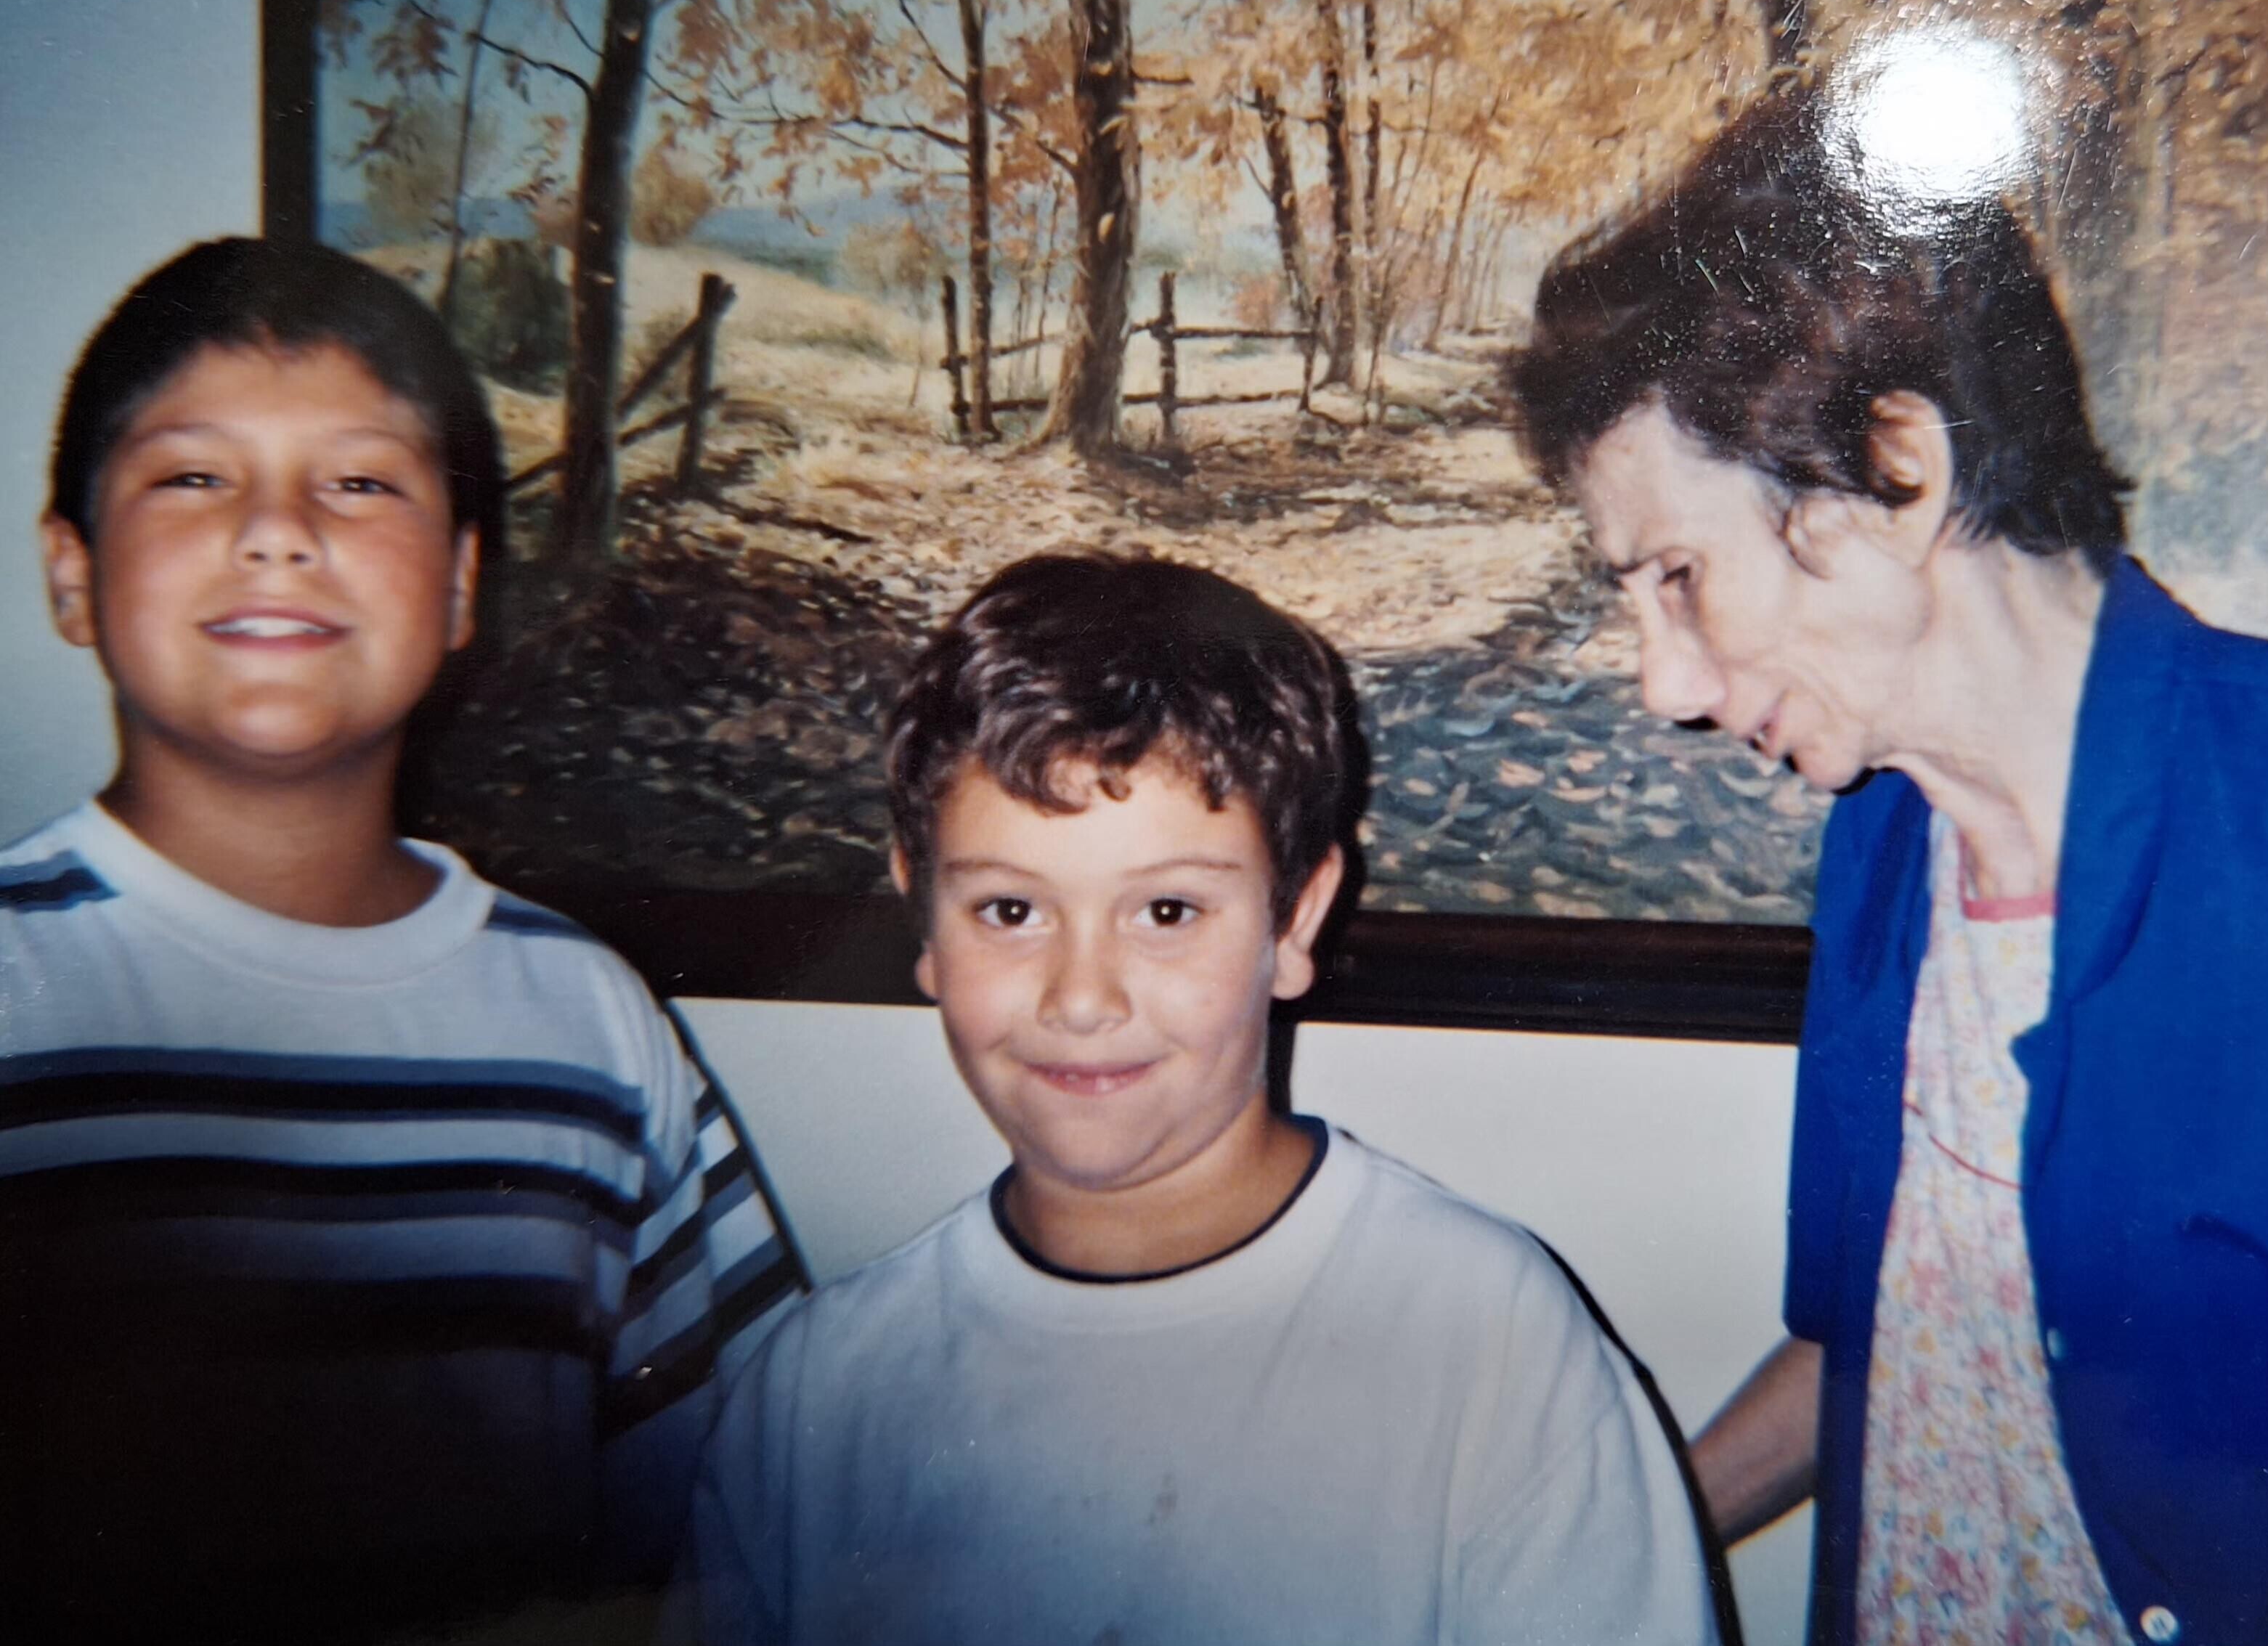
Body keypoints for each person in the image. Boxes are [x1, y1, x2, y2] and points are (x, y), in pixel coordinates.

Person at [1504, 88, 2268, 1646]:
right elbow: (1882, 1341)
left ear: (1897, 468)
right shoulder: (1887, 838)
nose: (1663, 684)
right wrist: (1598, 1538)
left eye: (1678, 577)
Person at [667, 552, 1723, 1646]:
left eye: (1167, 912)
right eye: (1009, 911)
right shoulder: (815, 1390)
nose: (1082, 999)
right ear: (922, 915)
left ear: (1294, 920)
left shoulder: (1489, 1344)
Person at [0, 239, 804, 1643]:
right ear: (71, 574)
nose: (279, 530)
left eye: (362, 483)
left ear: (458, 586)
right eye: (193, 477)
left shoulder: (594, 1024)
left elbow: (724, 1522)